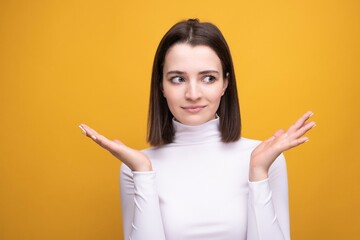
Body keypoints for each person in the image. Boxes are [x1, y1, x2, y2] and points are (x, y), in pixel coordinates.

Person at [79, 19, 315, 240]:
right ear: (161, 86)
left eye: (208, 78)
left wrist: (258, 173)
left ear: (225, 83)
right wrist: (142, 172)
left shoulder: (264, 158)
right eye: (178, 79)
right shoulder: (135, 166)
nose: (193, 94)